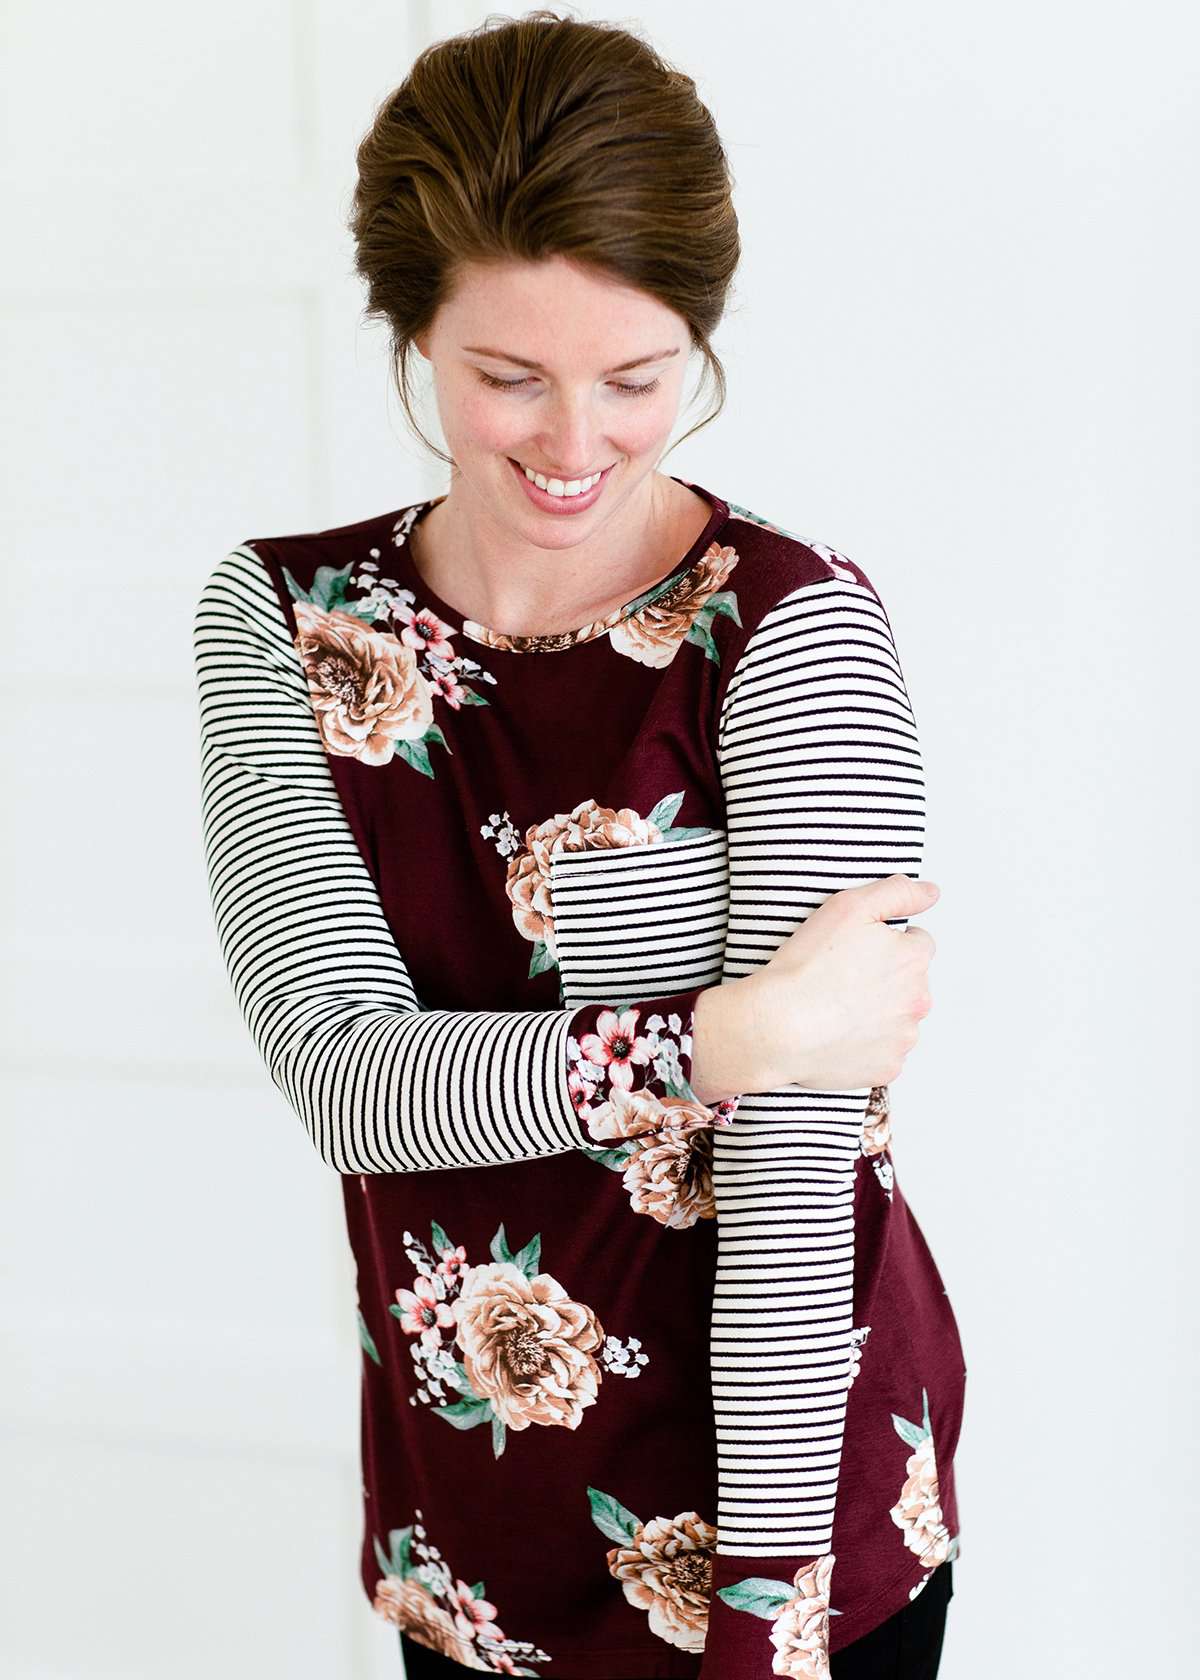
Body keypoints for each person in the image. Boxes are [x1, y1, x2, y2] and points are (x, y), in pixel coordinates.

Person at [193, 11, 966, 1678]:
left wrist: (760, 1620)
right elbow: (346, 1079)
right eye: (504, 378)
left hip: (784, 1527)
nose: (571, 442)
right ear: (409, 336)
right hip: (471, 1537)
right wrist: (728, 1037)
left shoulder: (787, 631)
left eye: (634, 377)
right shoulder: (288, 620)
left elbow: (788, 1181)